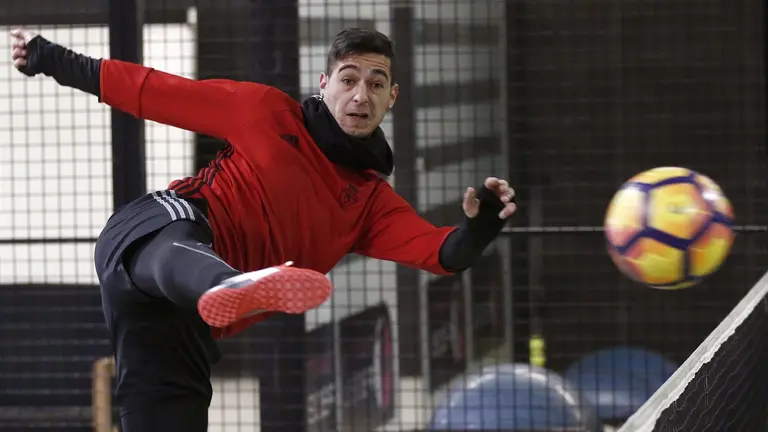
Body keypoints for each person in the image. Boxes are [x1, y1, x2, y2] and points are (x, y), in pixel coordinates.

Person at [10, 27, 517, 431]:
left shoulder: (370, 205)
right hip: (158, 228)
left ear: (392, 98)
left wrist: (482, 227)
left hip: (179, 323)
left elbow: (443, 252)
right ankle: (226, 283)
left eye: (376, 83)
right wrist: (49, 57)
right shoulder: (265, 110)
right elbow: (152, 91)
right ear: (324, 84)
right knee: (181, 243)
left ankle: (224, 287)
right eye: (348, 78)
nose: (360, 94)